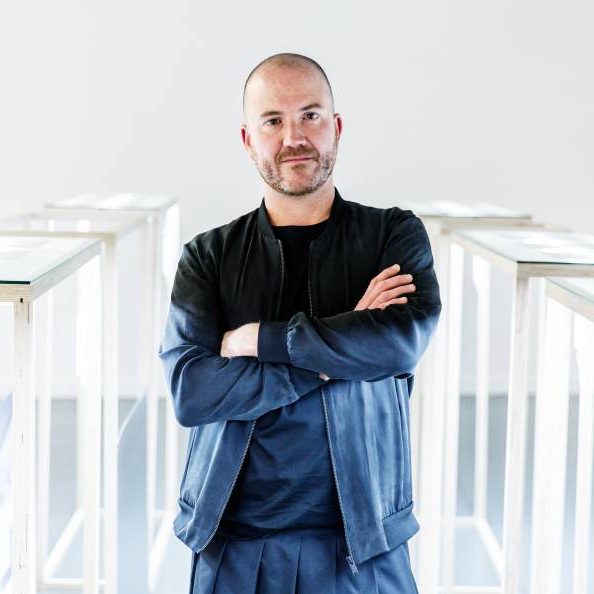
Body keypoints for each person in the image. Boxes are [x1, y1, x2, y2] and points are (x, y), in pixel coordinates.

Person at [159, 52, 442, 594]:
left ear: (337, 127)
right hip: (234, 541)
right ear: (248, 140)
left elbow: (400, 343)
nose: (294, 137)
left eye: (310, 115)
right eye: (273, 121)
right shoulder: (208, 256)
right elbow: (192, 391)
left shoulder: (392, 235)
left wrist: (259, 340)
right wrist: (341, 348)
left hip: (364, 541)